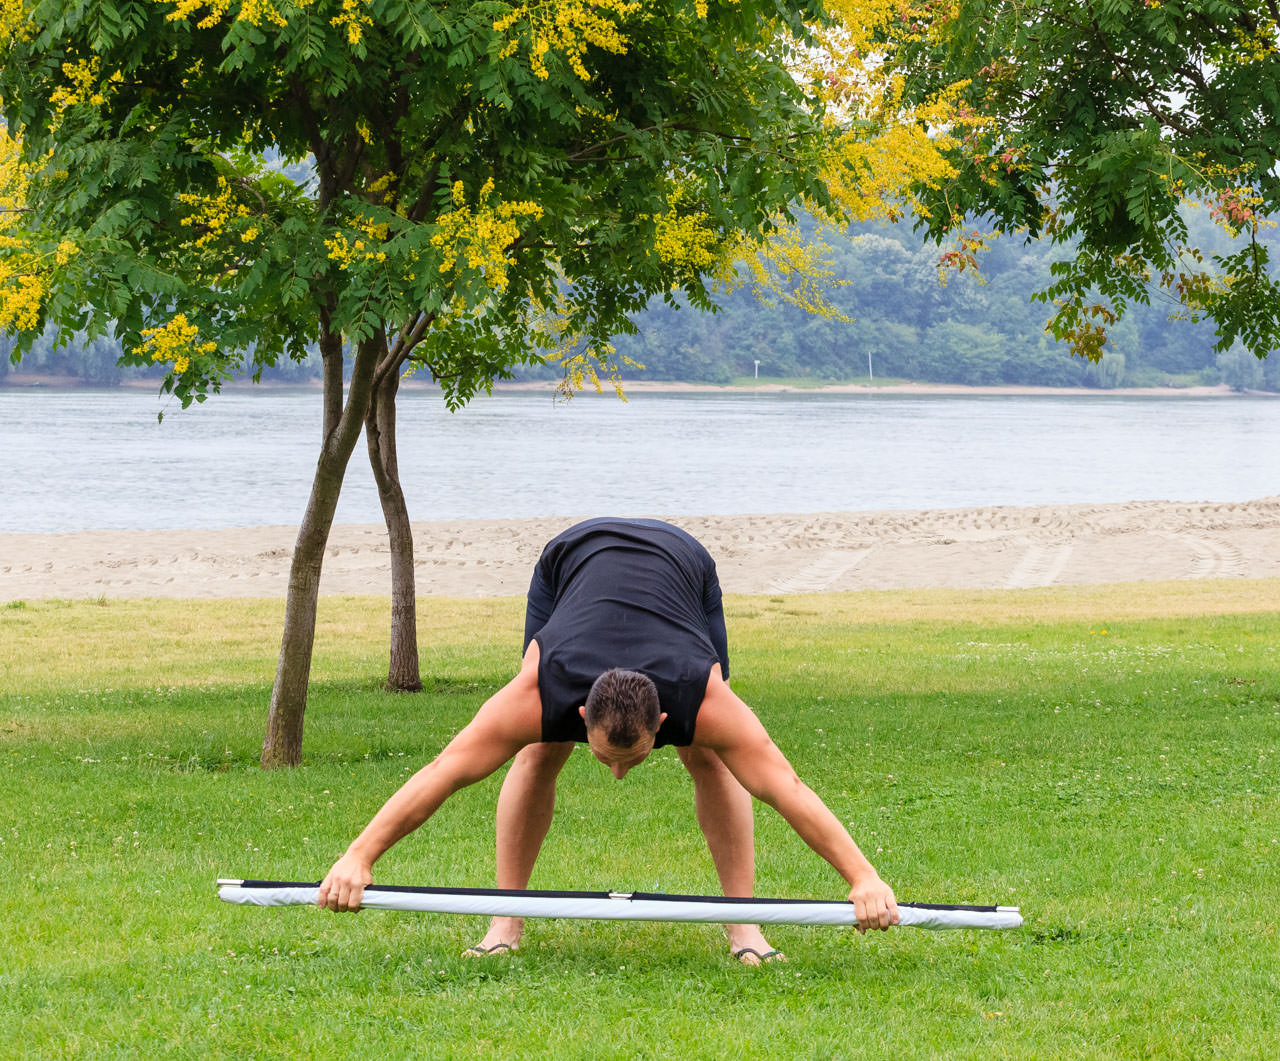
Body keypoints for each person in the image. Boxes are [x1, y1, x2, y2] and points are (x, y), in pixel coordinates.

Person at [319, 517, 898, 963]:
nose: (617, 776)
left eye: (633, 759)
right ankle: (505, 921)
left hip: (684, 564)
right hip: (571, 559)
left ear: (663, 723)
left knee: (710, 756)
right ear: (577, 712)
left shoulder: (703, 696)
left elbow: (785, 785)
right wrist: (358, 856)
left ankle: (743, 925)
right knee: (540, 748)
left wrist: (863, 877)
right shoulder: (537, 690)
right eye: (604, 757)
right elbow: (445, 770)